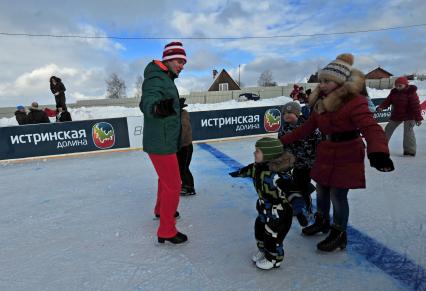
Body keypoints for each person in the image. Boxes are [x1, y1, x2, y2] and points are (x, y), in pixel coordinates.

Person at [280, 53, 394, 252]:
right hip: (326, 152)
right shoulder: (321, 104)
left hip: (347, 153)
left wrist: (379, 151)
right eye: (321, 81)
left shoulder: (355, 102)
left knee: (338, 195)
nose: (321, 85)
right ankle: (322, 221)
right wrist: (281, 142)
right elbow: (305, 128)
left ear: (340, 82)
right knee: (322, 189)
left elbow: (371, 127)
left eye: (327, 81)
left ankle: (339, 233)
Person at [139, 41, 188, 244]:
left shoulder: (165, 77)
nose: (182, 65)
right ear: (167, 60)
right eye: (178, 61)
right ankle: (166, 231)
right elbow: (147, 101)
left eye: (184, 62)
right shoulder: (156, 78)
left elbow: (162, 97)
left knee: (165, 180)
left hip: (165, 139)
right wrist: (157, 108)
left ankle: (160, 210)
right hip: (161, 141)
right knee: (174, 185)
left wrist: (174, 105)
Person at [229, 138, 294, 270]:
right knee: (259, 228)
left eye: (257, 151)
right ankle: (264, 250)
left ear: (268, 155)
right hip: (264, 208)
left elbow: (292, 191)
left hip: (279, 212)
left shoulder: (277, 175)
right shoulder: (256, 168)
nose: (254, 153)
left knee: (272, 234)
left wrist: (299, 208)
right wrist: (238, 173)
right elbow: (248, 170)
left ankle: (274, 259)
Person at [278, 101, 322, 226]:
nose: (286, 115)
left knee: (319, 188)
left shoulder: (308, 125)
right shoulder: (284, 130)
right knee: (300, 187)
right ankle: (304, 208)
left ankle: (315, 211)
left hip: (314, 162)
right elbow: (282, 146)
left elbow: (319, 140)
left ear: (297, 113)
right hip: (299, 165)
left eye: (290, 112)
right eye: (284, 113)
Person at [377, 76, 423, 156]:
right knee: (388, 129)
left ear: (405, 85)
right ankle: (380, 147)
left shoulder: (411, 93)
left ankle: (409, 151)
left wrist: (418, 118)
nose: (398, 87)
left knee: (408, 132)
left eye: (400, 86)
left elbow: (416, 107)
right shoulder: (394, 92)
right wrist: (381, 107)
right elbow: (387, 101)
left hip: (409, 115)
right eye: (396, 85)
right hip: (397, 115)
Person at [177, 98, 196, 196]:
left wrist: (177, 143)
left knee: (183, 168)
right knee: (182, 168)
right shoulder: (179, 115)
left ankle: (189, 188)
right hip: (183, 146)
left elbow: (183, 131)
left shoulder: (183, 115)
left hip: (185, 147)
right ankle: (186, 185)